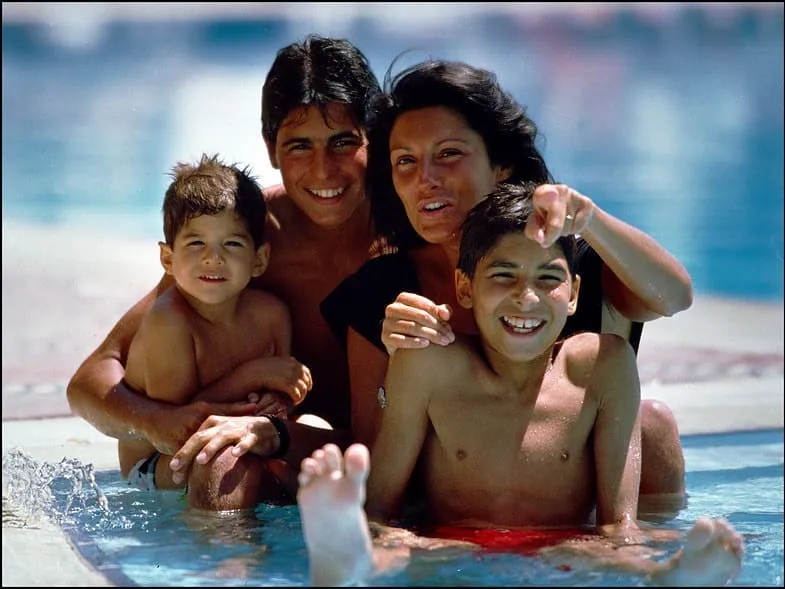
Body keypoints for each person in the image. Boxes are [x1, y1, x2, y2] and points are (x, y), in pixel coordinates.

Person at [297, 183, 743, 587]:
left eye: (548, 278)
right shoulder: (429, 364)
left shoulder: (604, 365)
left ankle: (668, 579)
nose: (525, 297)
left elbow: (618, 525)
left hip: (568, 547)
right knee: (395, 545)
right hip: (450, 545)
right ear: (465, 288)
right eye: (503, 275)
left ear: (573, 295)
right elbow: (380, 508)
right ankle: (349, 562)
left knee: (615, 553)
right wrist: (377, 532)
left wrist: (634, 557)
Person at [320, 58, 693, 514]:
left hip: (573, 505)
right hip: (447, 517)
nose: (426, 179)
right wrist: (392, 371)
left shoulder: (568, 264)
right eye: (406, 162)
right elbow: (371, 452)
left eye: (449, 154)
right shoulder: (381, 292)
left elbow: (674, 297)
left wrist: (590, 220)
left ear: (501, 165)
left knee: (652, 425)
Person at [67, 35, 382, 504]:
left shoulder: (405, 236)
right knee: (225, 458)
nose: (324, 171)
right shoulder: (242, 239)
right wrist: (154, 420)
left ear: (373, 140)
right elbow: (90, 382)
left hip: (330, 443)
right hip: (259, 446)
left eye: (343, 142)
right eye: (299, 146)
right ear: (271, 150)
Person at [119, 153, 317, 509]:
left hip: (237, 433)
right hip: (159, 463)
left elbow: (284, 397)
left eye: (232, 244)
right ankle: (225, 555)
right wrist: (252, 375)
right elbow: (178, 426)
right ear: (168, 258)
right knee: (224, 460)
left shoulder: (272, 314)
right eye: (196, 244)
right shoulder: (170, 322)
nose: (213, 258)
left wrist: (281, 403)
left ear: (259, 260)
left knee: (314, 434)